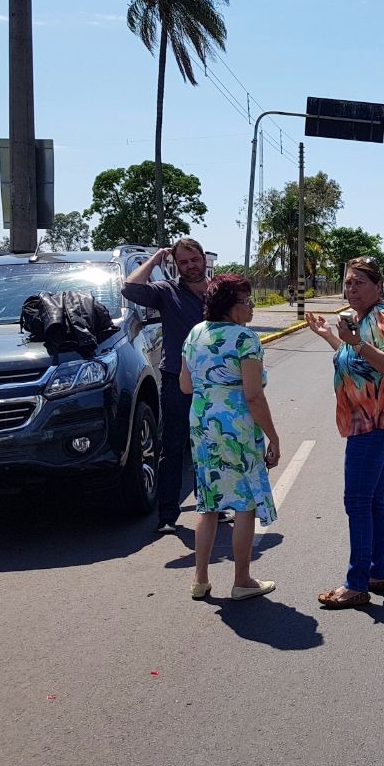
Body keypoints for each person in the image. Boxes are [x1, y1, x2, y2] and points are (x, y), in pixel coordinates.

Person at [305, 257, 384, 609]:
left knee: (357, 502)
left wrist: (357, 342)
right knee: (373, 500)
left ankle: (356, 583)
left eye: (359, 283)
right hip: (368, 422)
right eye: (348, 283)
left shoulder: (382, 319)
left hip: (374, 423)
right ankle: (378, 572)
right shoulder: (363, 321)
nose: (351, 289)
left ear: (378, 287)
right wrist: (332, 338)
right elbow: (358, 361)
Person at [121, 237, 234, 534]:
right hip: (176, 379)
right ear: (175, 264)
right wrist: (155, 259)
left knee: (210, 445)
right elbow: (130, 288)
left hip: (215, 380)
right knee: (172, 447)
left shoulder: (219, 291)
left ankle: (212, 507)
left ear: (202, 257)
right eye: (182, 262)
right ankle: (168, 516)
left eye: (193, 259)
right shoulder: (165, 291)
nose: (190, 266)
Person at [180, 274, 281, 601]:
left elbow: (185, 385)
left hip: (202, 424)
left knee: (207, 503)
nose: (251, 307)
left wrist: (212, 388)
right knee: (244, 502)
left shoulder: (195, 333)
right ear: (229, 306)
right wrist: (274, 437)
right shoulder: (244, 339)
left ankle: (200, 580)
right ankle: (241, 580)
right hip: (237, 427)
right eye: (245, 301)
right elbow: (254, 396)